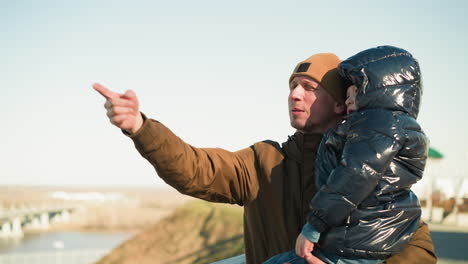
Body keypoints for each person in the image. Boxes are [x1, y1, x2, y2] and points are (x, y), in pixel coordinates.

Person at [93, 51, 437, 264]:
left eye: (308, 87)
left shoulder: (372, 162)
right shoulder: (264, 161)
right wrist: (140, 126)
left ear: (338, 102)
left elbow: (417, 246)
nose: (294, 94)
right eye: (292, 85)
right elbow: (195, 169)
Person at [264, 46, 427, 264]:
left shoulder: (376, 126)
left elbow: (353, 177)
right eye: (346, 94)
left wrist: (313, 227)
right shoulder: (393, 127)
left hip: (350, 244)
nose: (349, 100)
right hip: (362, 240)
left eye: (355, 94)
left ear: (378, 92)